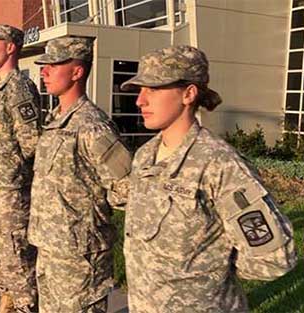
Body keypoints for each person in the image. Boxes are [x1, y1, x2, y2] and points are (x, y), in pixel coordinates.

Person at [120, 45, 297, 313]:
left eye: (153, 89)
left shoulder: (219, 163)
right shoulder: (145, 156)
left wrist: (213, 270)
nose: (140, 101)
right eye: (140, 90)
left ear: (189, 94)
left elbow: (275, 257)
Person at [28, 37, 131, 313]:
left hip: (79, 256)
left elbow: (126, 187)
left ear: (77, 72)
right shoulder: (55, 121)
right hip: (50, 247)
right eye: (43, 66)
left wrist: (90, 218)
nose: (44, 72)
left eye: (54, 65)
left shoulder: (92, 126)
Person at [0, 24, 41, 313]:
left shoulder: (19, 88)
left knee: (17, 259)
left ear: (11, 47)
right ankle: (8, 304)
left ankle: (27, 307)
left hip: (12, 193)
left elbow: (32, 145)